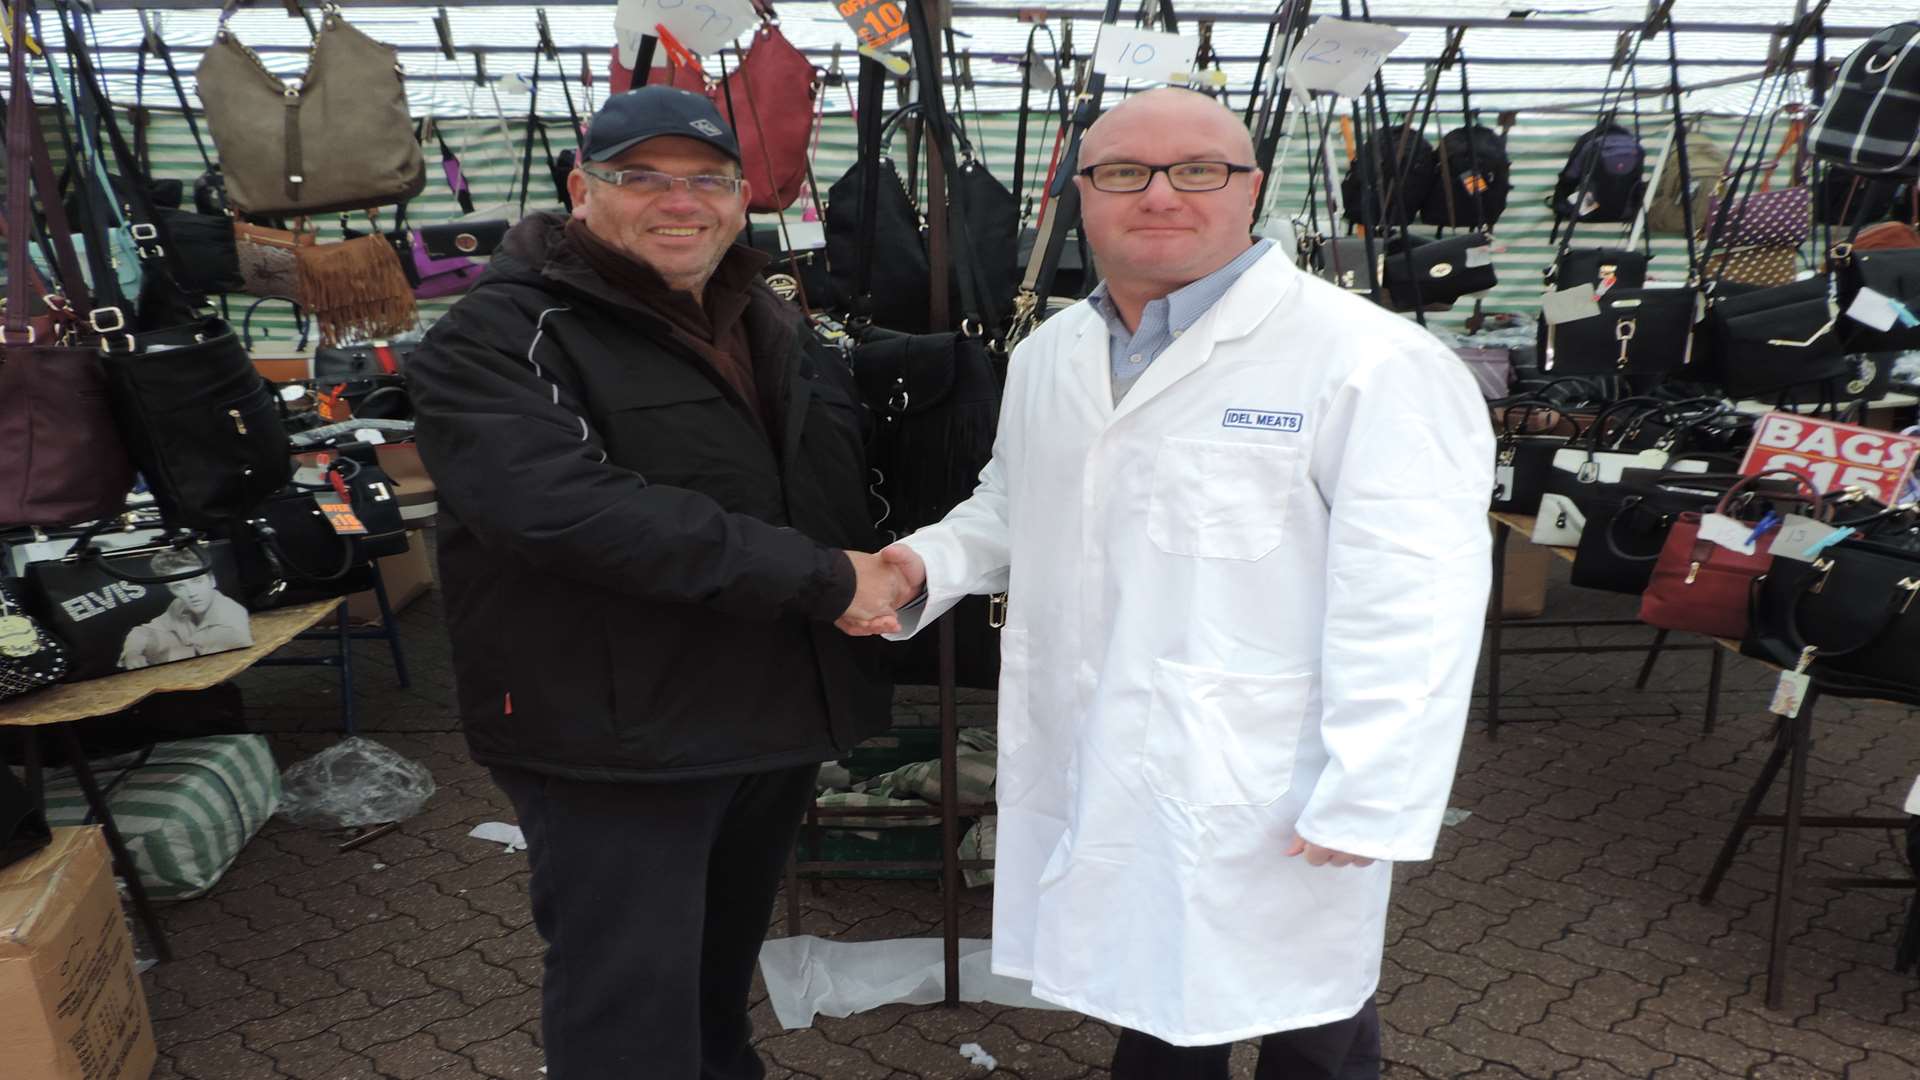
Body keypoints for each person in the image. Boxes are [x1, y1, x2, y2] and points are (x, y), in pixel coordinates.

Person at [845, 88, 1495, 1079]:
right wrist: (923, 561)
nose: (1160, 195)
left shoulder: (1368, 360)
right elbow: (1018, 503)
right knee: (1148, 993)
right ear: (1082, 196)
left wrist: (1372, 789)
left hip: (1274, 773)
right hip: (1110, 741)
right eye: (1122, 173)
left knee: (1308, 1019)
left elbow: (1417, 594)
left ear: (1251, 189)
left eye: (1197, 169)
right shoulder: (1054, 352)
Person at [406, 86, 905, 1079]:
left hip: (764, 715)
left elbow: (828, 483)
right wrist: (819, 579)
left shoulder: (766, 317)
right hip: (615, 735)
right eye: (644, 177)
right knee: (629, 1009)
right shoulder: (500, 336)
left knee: (715, 985)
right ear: (582, 188)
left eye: (708, 180)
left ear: (738, 198)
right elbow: (565, 510)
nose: (681, 202)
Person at [117, 550, 251, 669]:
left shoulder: (230, 624)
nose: (191, 593)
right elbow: (143, 631)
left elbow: (200, 667)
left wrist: (155, 651)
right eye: (179, 586)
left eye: (196, 581)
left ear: (212, 581)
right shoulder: (179, 604)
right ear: (170, 589)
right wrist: (132, 652)